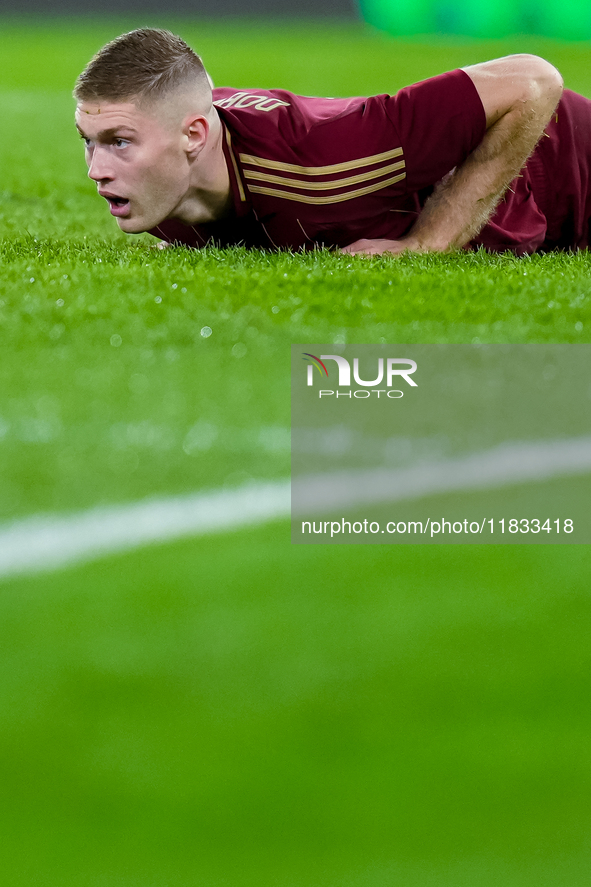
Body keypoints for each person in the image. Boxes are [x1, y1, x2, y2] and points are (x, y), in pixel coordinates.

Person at [75, 27, 591, 256]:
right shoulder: (168, 185)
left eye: (119, 142)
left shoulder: (323, 162)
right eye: (89, 141)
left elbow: (533, 80)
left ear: (194, 136)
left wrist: (427, 244)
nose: (96, 170)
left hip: (565, 157)